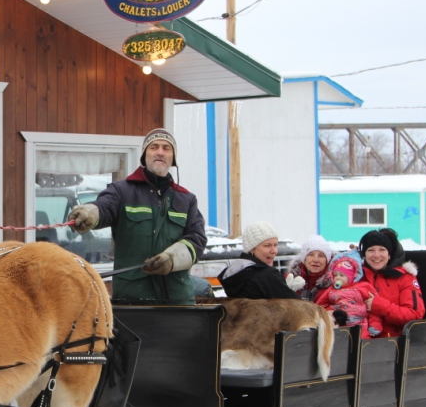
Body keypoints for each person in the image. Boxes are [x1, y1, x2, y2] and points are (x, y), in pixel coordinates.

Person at [67, 128, 205, 304]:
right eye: (154, 147)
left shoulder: (186, 199)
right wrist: (89, 213)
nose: (160, 152)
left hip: (178, 301)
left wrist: (172, 259)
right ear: (144, 155)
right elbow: (105, 206)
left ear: (173, 158)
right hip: (132, 301)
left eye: (166, 148)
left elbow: (197, 240)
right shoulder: (122, 191)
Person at [359, 228, 425, 337]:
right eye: (371, 250)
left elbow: (415, 315)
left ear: (389, 255)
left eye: (382, 250)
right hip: (359, 337)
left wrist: (378, 305)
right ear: (364, 255)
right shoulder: (357, 276)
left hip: (390, 340)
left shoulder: (405, 278)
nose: (376, 255)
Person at [219, 221, 299, 299]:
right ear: (252, 249)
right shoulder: (267, 275)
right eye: (267, 245)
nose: (274, 251)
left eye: (275, 245)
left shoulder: (236, 273)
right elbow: (298, 307)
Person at [314, 252, 382, 338]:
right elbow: (320, 305)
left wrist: (375, 324)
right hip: (339, 324)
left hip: (359, 325)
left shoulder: (363, 287)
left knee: (361, 340)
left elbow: (374, 309)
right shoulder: (331, 290)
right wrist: (331, 312)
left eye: (342, 275)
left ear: (352, 276)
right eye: (335, 275)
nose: (338, 278)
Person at [287, 234, 333, 301]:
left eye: (321, 256)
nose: (315, 260)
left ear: (327, 261)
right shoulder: (291, 281)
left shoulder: (335, 284)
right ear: (304, 259)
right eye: (311, 255)